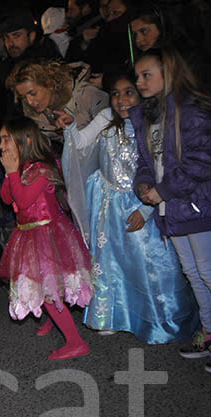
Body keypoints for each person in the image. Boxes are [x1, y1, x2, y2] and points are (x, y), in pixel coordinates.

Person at [62, 66, 200, 343]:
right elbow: (80, 143)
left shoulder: (151, 126)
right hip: (109, 205)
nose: (121, 99)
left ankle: (159, 317)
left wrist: (147, 209)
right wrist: (67, 125)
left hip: (142, 203)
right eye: (115, 93)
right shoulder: (105, 120)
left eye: (129, 93)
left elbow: (160, 170)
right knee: (111, 262)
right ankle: (112, 314)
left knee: (148, 262)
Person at [129, 48, 211, 369]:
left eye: (146, 74)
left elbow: (201, 161)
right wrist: (144, 184)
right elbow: (146, 160)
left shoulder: (191, 110)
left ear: (169, 72)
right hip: (171, 209)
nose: (139, 81)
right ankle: (208, 330)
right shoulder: (150, 115)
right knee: (193, 273)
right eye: (138, 76)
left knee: (207, 271)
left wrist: (162, 191)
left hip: (197, 206)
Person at [0, 117, 94, 360]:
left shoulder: (42, 169)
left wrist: (12, 173)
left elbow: (23, 200)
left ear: (26, 140)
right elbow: (7, 198)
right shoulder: (24, 167)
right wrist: (11, 172)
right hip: (28, 234)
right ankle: (54, 320)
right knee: (38, 283)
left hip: (47, 235)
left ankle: (76, 341)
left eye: (6, 139)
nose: (1, 145)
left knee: (49, 289)